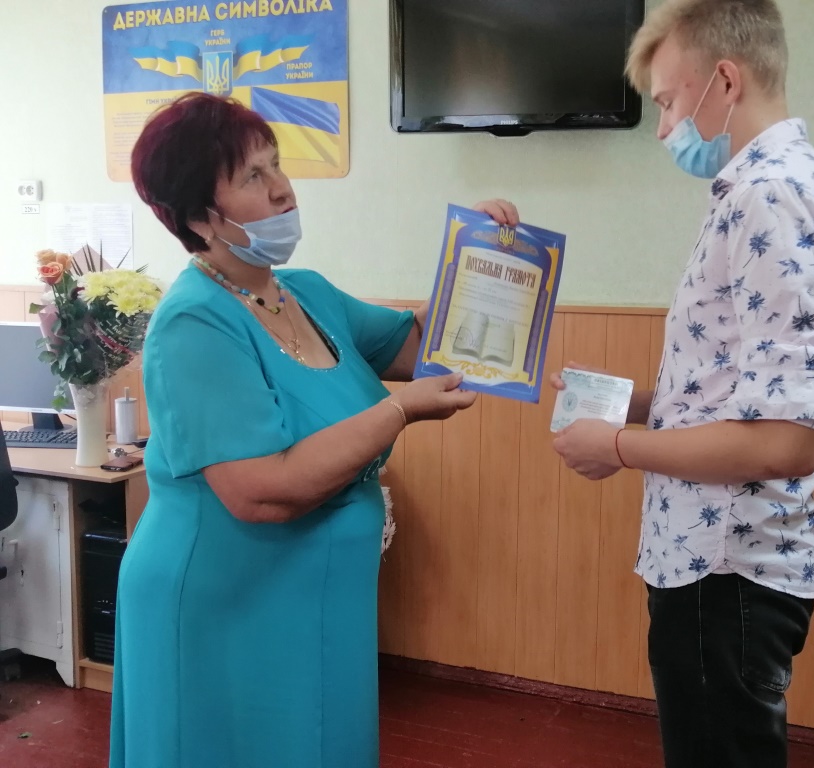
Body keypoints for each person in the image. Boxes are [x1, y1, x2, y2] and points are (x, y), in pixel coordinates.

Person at [111, 91, 519, 768]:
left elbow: (424, 346)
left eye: (276, 164)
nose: (282, 189)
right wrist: (398, 411)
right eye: (252, 176)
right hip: (222, 606)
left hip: (313, 602)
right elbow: (260, 491)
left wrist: (474, 257)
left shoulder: (305, 294)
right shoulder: (194, 323)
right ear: (198, 217)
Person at [550, 2, 814, 766]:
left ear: (724, 80)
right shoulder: (770, 188)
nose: (663, 130)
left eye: (666, 103)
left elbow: (787, 439)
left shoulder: (770, 195)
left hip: (728, 569)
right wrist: (633, 404)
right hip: (717, 564)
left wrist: (618, 446)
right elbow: (747, 391)